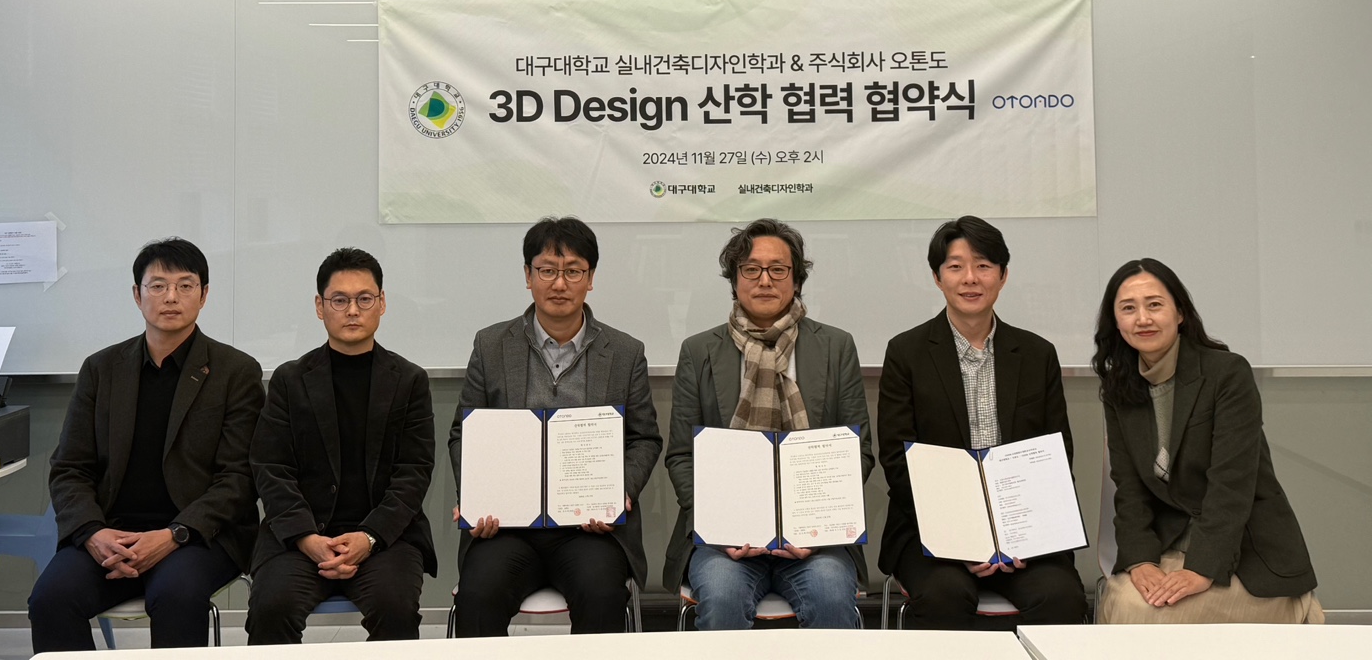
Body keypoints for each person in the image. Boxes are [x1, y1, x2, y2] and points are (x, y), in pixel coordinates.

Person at [30, 238, 264, 651]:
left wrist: (174, 535)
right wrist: (93, 533)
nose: (171, 297)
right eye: (157, 286)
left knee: (176, 596)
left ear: (204, 295)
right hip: (111, 532)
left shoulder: (235, 372)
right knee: (51, 599)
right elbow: (70, 467)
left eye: (185, 285)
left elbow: (239, 479)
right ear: (137, 295)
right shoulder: (102, 369)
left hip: (198, 536)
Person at [447, 216, 663, 635]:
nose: (559, 283)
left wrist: (619, 492)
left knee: (601, 593)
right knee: (479, 593)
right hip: (507, 529)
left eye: (573, 271)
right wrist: (475, 495)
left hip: (589, 531)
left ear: (591, 278)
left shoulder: (625, 352)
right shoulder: (491, 345)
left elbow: (644, 438)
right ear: (528, 276)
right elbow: (464, 434)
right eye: (547, 270)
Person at [878, 215, 1087, 630]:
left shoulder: (1037, 354)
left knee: (1061, 596)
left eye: (984, 266)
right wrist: (964, 537)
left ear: (1003, 276)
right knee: (944, 595)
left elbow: (1056, 455)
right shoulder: (906, 353)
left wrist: (1021, 533)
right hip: (932, 535)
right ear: (937, 277)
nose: (970, 278)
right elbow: (898, 461)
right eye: (956, 266)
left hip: (1025, 536)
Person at [664, 218, 872, 630]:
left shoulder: (835, 347)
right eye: (751, 269)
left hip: (815, 542)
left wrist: (816, 530)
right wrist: (720, 526)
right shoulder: (699, 351)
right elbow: (682, 456)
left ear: (796, 279)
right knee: (722, 597)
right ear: (734, 279)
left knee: (831, 595)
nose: (764, 280)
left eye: (778, 269)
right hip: (726, 543)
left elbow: (858, 452)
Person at [1093, 258, 1323, 624]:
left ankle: (1299, 610)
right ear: (1116, 321)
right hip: (1169, 545)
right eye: (1128, 308)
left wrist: (1202, 569)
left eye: (1155, 304)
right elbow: (1129, 488)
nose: (1143, 319)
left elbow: (1230, 485)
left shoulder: (1227, 374)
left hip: (1243, 551)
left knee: (1140, 612)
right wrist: (1140, 560)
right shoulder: (1119, 387)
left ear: (1180, 313)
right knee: (1123, 596)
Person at [245, 247, 437, 643]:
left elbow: (414, 473)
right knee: (272, 607)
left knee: (394, 608)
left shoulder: (409, 380)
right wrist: (306, 538)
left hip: (385, 539)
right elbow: (271, 467)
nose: (352, 311)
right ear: (320, 306)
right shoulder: (290, 380)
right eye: (339, 300)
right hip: (300, 539)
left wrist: (369, 537)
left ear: (382, 303)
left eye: (364, 299)